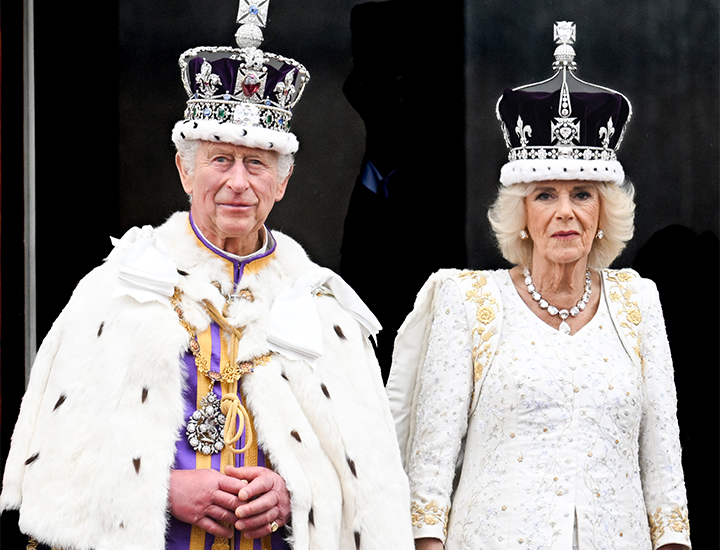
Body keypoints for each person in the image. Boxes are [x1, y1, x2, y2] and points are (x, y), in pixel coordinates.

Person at [0, 3, 414, 550]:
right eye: (221, 159)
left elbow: (367, 490)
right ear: (185, 169)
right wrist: (160, 488)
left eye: (257, 163)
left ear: (282, 183)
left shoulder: (324, 308)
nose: (238, 182)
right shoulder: (116, 292)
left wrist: (294, 491)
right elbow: (53, 474)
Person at [387, 22, 691, 550]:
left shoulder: (640, 302)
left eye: (582, 194)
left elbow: (664, 471)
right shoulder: (469, 302)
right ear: (522, 212)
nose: (566, 213)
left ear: (603, 212)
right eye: (546, 194)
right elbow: (428, 483)